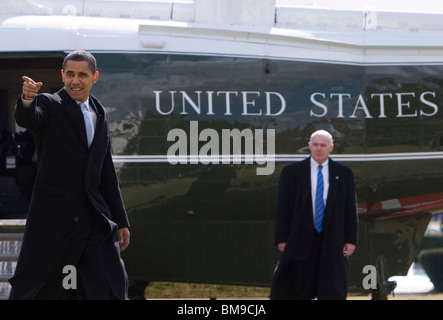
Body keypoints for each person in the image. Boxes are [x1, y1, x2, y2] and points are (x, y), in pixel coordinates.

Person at [8, 50, 130, 300]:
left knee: (111, 282)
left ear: (94, 77)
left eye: (82, 75)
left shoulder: (100, 112)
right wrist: (27, 99)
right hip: (56, 220)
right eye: (70, 74)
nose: (75, 80)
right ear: (62, 76)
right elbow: (29, 117)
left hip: (93, 217)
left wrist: (121, 220)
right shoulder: (49, 104)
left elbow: (106, 171)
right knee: (45, 287)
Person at [270, 130, 358, 300]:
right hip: (301, 239)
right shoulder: (292, 172)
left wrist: (351, 240)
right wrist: (281, 238)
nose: (319, 149)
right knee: (298, 290)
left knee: (332, 289)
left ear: (330, 148)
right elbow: (283, 207)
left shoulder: (344, 173)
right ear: (309, 146)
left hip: (332, 239)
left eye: (323, 145)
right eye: (315, 145)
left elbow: (349, 209)